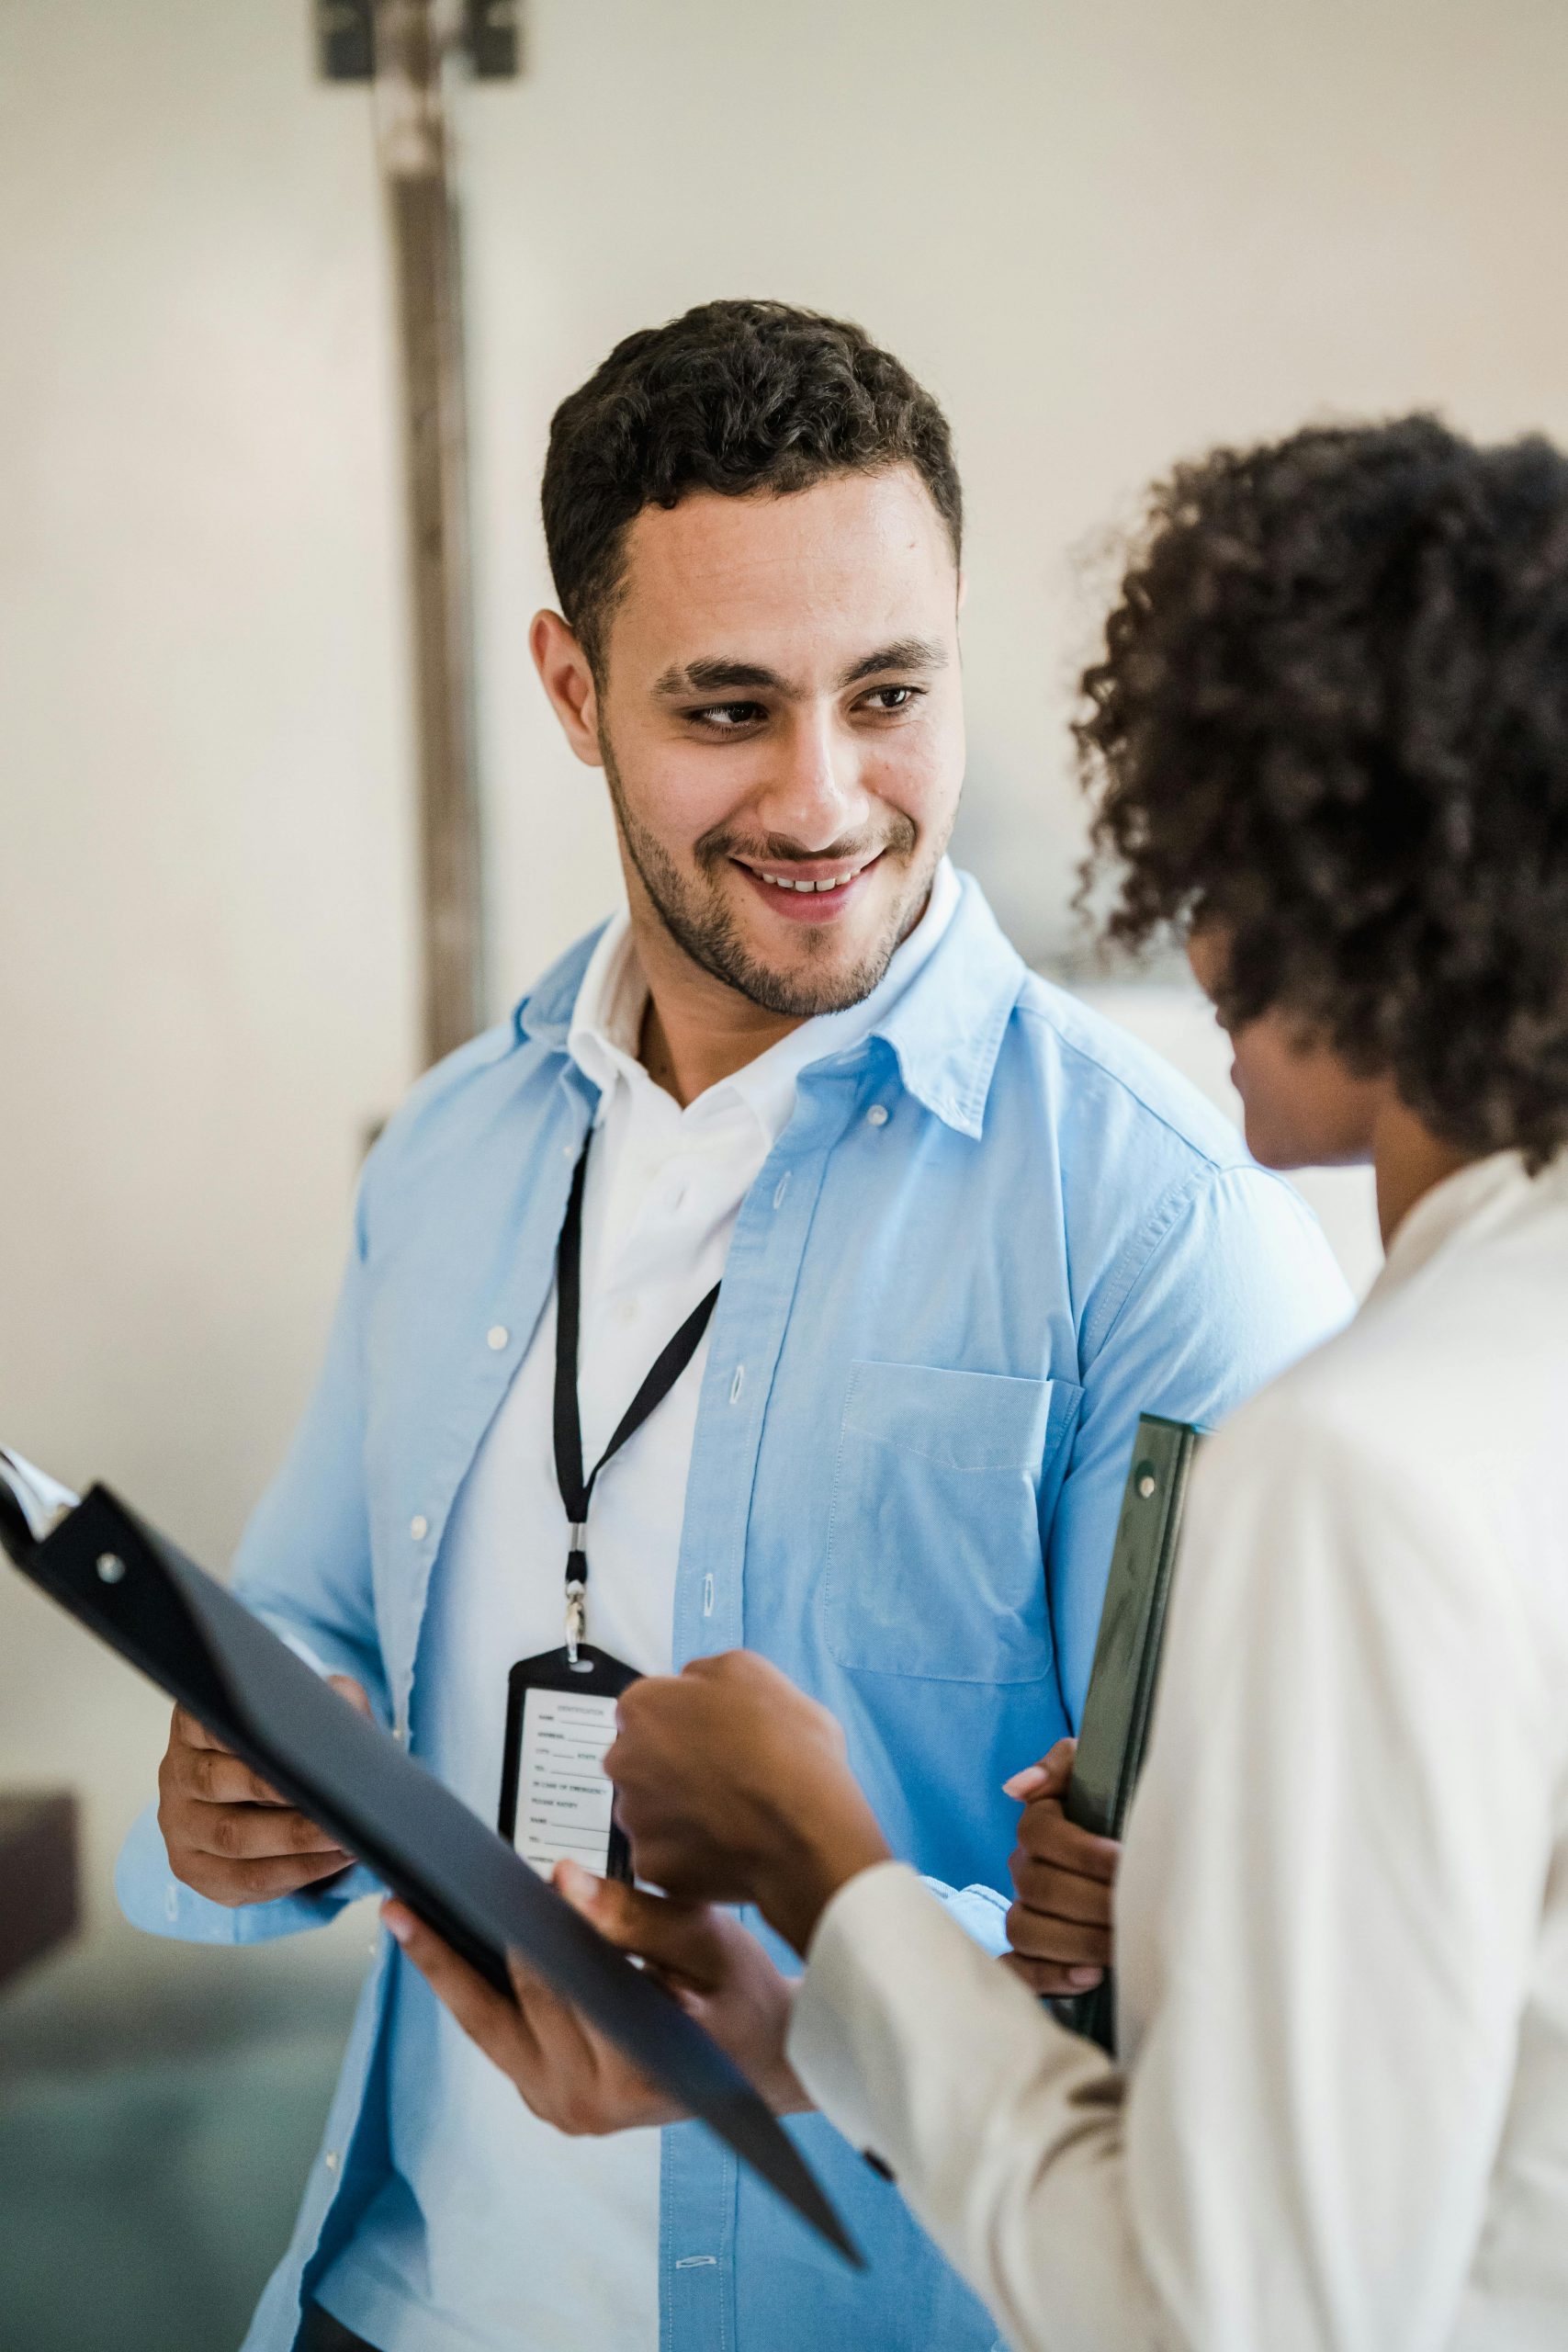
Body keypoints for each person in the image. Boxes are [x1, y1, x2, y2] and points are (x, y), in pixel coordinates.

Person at [115, 302, 1347, 2352]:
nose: (823, 795)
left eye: (888, 692)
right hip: (398, 2302)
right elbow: (304, 1632)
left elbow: (1252, 1975)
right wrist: (226, 1808)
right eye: (724, 707)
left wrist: (834, 1967)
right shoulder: (447, 1150)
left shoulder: (1160, 1219)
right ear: (571, 689)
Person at [434, 413, 1568, 2352]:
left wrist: (826, 1859)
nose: (1179, 926)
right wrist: (865, 2016)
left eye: (1213, 846)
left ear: (1359, 885)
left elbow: (1231, 2316)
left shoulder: (1344, 1457)